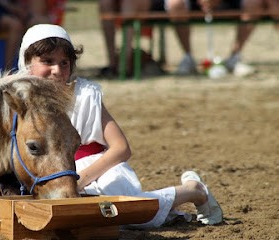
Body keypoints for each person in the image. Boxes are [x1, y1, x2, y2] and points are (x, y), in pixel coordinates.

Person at [14, 24, 223, 227]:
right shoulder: (15, 99)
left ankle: (193, 191)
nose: (57, 70)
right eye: (47, 61)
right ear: (27, 62)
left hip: (99, 170)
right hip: (51, 171)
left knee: (121, 214)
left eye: (64, 62)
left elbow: (121, 148)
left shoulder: (85, 95)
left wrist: (81, 180)